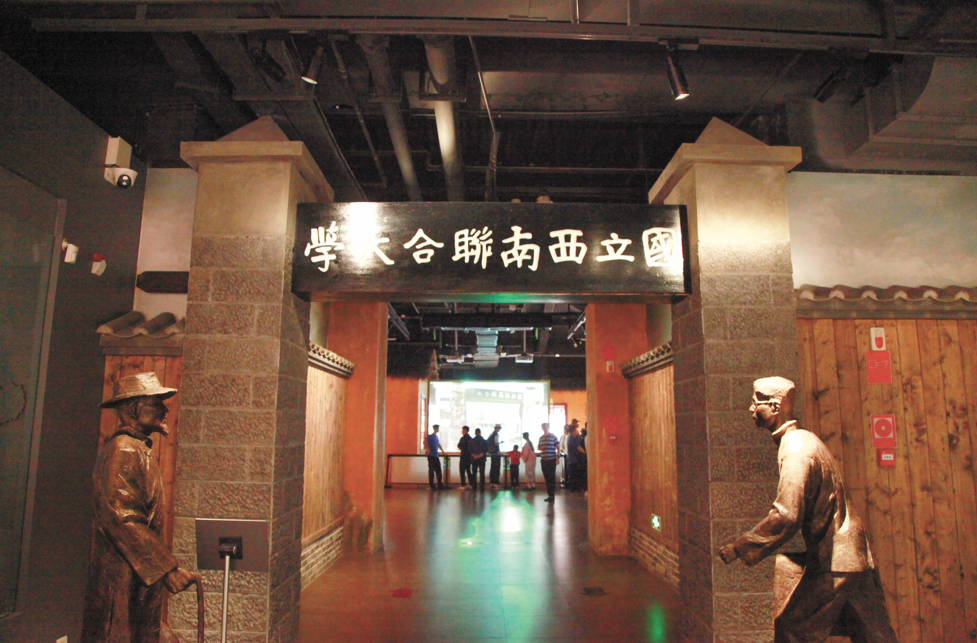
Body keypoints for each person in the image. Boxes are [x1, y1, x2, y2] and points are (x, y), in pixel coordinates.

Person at [719, 377, 897, 643]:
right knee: (873, 633)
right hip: (851, 555)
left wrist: (741, 546)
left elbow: (787, 514)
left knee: (793, 629)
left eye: (756, 402)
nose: (750, 409)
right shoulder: (802, 440)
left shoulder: (796, 451)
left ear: (776, 406)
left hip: (836, 560)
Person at [82, 372, 197, 643]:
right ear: (134, 408)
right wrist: (168, 568)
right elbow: (122, 518)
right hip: (120, 580)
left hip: (132, 576)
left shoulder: (135, 449)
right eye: (156, 402)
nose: (165, 408)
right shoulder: (124, 450)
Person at [537, 423, 561, 502]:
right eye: (543, 427)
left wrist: (558, 457)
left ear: (548, 427)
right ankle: (549, 495)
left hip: (551, 460)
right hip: (544, 460)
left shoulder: (553, 436)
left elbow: (558, 446)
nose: (544, 428)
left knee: (552, 477)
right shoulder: (541, 438)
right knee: (547, 478)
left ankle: (552, 495)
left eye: (546, 427)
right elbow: (539, 447)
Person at [567, 423, 587, 492]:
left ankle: (574, 488)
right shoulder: (573, 439)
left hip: (571, 459)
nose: (577, 432)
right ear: (573, 431)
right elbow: (579, 448)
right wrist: (585, 452)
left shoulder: (570, 438)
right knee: (575, 475)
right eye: (576, 430)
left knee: (573, 474)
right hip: (574, 459)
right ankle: (575, 489)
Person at [426, 424, 445, 490]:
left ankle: (439, 484)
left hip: (436, 455)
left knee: (438, 471)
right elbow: (426, 443)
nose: (438, 430)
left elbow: (438, 444)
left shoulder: (436, 437)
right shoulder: (430, 436)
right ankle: (432, 485)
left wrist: (442, 451)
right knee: (431, 471)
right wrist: (428, 449)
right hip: (431, 456)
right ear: (435, 429)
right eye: (437, 428)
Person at [457, 425, 473, 490]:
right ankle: (471, 484)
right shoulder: (470, 438)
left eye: (463, 430)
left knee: (462, 470)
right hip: (469, 457)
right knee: (469, 470)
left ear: (465, 431)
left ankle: (463, 484)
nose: (462, 431)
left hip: (463, 456)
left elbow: (459, 446)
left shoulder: (462, 439)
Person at [487, 424, 502, 488]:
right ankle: (495, 482)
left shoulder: (491, 434)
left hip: (492, 453)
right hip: (495, 453)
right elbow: (496, 444)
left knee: (492, 467)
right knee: (496, 468)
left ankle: (492, 482)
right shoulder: (496, 435)